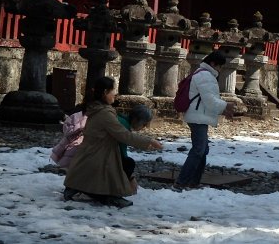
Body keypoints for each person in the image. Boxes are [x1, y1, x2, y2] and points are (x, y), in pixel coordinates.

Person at [63, 77, 162, 207]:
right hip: (98, 153)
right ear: (105, 92)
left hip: (94, 151)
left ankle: (78, 188)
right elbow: (123, 135)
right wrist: (150, 141)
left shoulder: (100, 109)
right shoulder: (104, 113)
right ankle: (110, 195)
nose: (115, 93)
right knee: (114, 169)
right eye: (112, 91)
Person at [51, 104, 153, 194]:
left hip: (90, 151)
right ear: (136, 119)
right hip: (98, 154)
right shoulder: (121, 124)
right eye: (143, 124)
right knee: (128, 163)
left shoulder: (117, 118)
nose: (143, 127)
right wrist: (130, 177)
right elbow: (122, 151)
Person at [173, 50, 234, 191]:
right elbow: (210, 100)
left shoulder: (202, 74)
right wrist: (226, 106)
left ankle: (193, 181)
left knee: (202, 150)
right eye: (220, 66)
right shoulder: (205, 76)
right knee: (198, 150)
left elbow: (207, 100)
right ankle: (181, 182)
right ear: (213, 64)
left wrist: (224, 110)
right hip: (198, 117)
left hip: (198, 115)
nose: (220, 69)